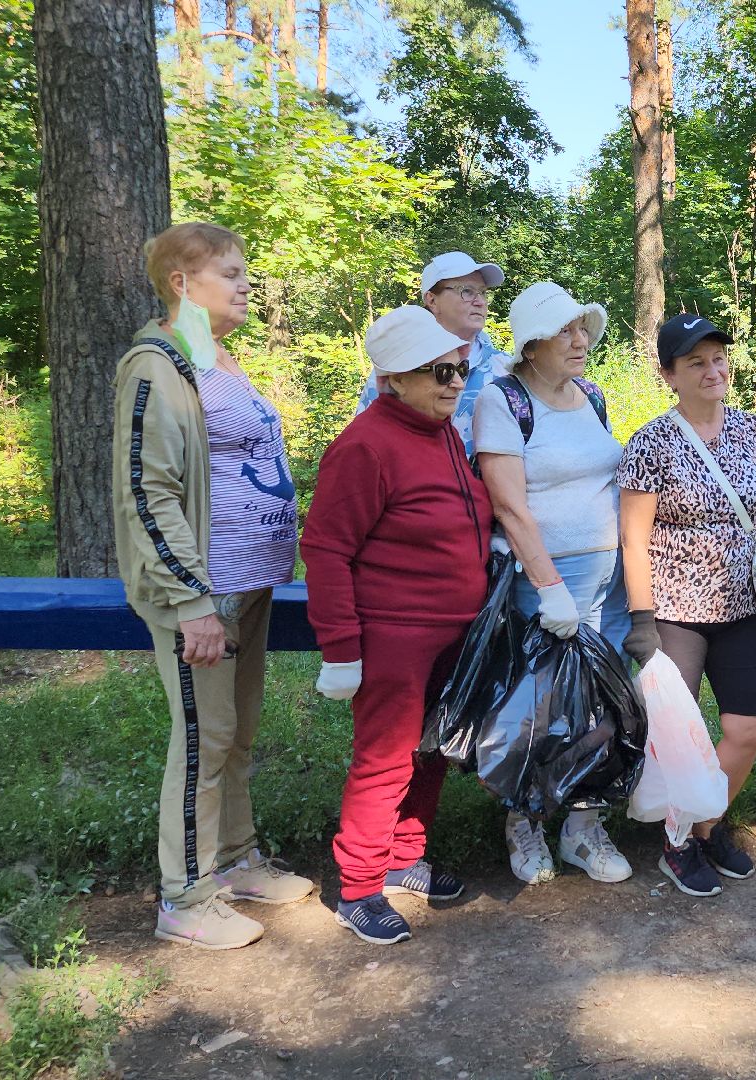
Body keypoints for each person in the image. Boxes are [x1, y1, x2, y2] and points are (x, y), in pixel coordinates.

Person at [111, 221, 316, 951]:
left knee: (239, 731)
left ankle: (235, 862)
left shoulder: (218, 358)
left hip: (250, 584)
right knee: (204, 738)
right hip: (204, 592)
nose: (245, 284)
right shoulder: (157, 366)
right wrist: (190, 599)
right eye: (230, 273)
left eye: (244, 272)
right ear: (181, 282)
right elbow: (148, 489)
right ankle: (185, 897)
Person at [303, 305, 496, 946]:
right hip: (393, 634)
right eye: (438, 371)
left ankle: (404, 858)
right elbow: (327, 549)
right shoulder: (364, 445)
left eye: (461, 369)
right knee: (384, 760)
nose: (453, 383)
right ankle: (358, 889)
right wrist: (341, 649)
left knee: (434, 749)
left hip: (452, 633)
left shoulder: (439, 430)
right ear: (394, 378)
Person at [616, 313, 756, 899]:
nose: (712, 369)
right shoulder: (650, 441)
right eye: (695, 362)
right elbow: (634, 537)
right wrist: (642, 621)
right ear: (670, 374)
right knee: (679, 737)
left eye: (718, 358)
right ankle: (678, 845)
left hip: (742, 607)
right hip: (674, 611)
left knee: (748, 727)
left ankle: (704, 828)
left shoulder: (753, 431)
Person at [473, 281, 633, 886]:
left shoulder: (590, 396)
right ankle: (525, 825)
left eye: (582, 328)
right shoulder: (503, 399)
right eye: (565, 330)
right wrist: (548, 589)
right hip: (547, 585)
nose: (580, 339)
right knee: (535, 707)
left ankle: (584, 831)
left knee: (601, 708)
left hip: (605, 583)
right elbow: (510, 507)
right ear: (531, 344)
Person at [358, 251, 509, 450]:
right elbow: (367, 441)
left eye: (482, 292)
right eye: (467, 291)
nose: (480, 301)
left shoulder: (507, 369)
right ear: (432, 300)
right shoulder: (401, 368)